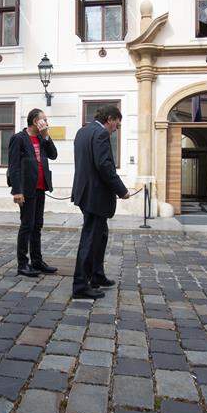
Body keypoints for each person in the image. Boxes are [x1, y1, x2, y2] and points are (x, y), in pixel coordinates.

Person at [70, 105, 129, 300]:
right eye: (117, 125)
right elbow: (104, 165)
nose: (116, 129)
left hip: (84, 192)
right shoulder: (101, 134)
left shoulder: (82, 131)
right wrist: (122, 190)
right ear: (110, 119)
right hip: (95, 195)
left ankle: (96, 275)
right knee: (90, 238)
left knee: (101, 234)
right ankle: (80, 284)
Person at [8, 108, 58, 277]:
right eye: (44, 119)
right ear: (35, 121)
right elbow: (13, 166)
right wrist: (17, 190)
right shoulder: (19, 139)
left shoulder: (41, 138)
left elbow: (53, 155)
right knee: (27, 226)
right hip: (26, 189)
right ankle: (22, 264)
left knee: (37, 226)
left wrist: (46, 136)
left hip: (41, 187)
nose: (47, 122)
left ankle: (37, 261)